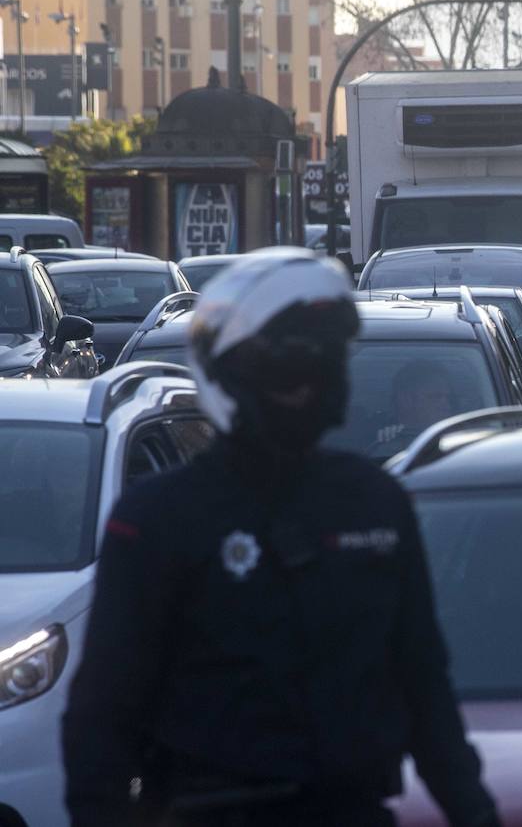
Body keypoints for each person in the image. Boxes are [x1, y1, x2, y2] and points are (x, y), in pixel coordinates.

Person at [62, 248, 499, 827]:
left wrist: (475, 814)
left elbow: (426, 692)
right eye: (291, 369)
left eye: (327, 364)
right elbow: (102, 718)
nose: (311, 386)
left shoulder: (376, 503)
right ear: (232, 374)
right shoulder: (157, 520)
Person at [373, 359, 458, 455]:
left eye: (448, 398)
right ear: (407, 399)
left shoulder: (463, 440)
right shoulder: (381, 440)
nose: (446, 404)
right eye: (435, 396)